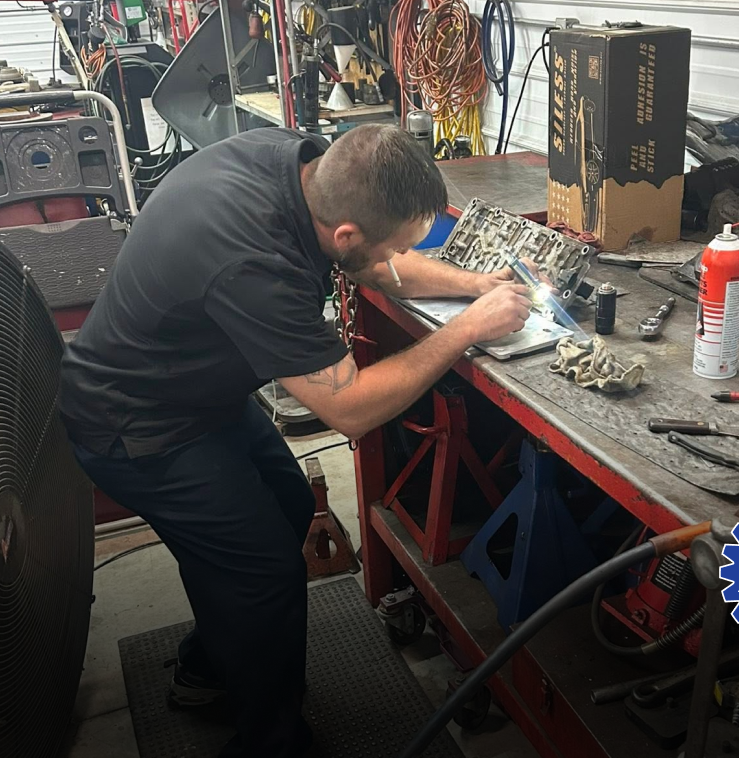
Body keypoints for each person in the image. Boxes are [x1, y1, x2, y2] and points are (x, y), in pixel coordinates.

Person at [59, 124, 532, 757]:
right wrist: (466, 330)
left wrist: (476, 286)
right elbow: (353, 410)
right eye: (393, 246)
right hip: (136, 426)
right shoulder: (255, 260)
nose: (399, 257)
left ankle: (208, 669)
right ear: (345, 236)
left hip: (195, 391)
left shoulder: (307, 165)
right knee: (261, 572)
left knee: (284, 509)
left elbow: (382, 264)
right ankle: (270, 743)